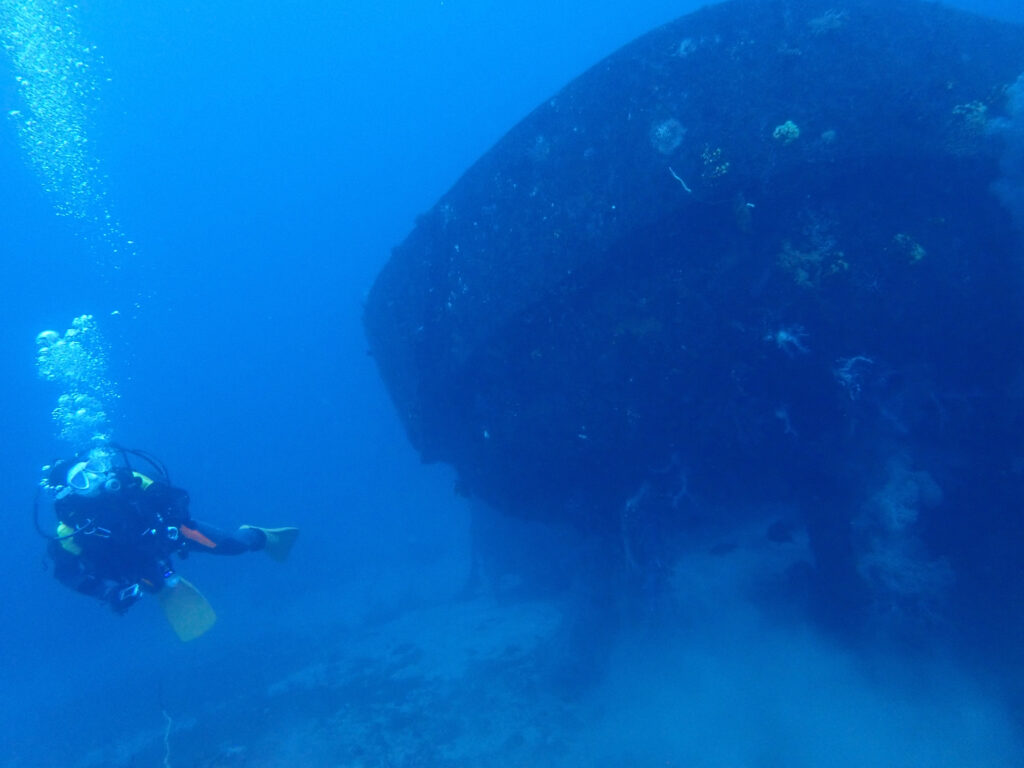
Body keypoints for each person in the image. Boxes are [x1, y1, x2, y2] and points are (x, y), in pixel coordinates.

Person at [37, 445, 299, 640]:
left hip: (174, 533)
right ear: (70, 493)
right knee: (156, 585)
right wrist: (110, 593)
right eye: (81, 480)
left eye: (92, 469)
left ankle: (258, 535)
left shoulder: (130, 480)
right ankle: (164, 578)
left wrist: (174, 523)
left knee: (234, 547)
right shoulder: (70, 530)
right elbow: (67, 573)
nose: (95, 479)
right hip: (134, 563)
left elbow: (175, 497)